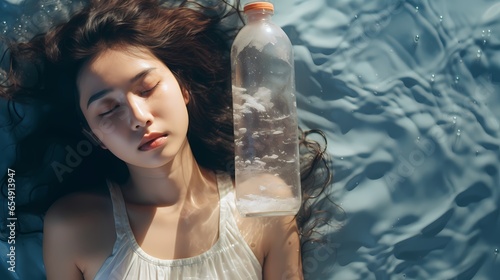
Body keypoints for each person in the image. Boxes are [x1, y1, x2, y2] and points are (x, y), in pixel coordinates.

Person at [0, 0, 333, 279]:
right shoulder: (75, 227)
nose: (138, 115)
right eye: (107, 109)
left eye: (147, 88)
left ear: (183, 88)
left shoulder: (264, 202)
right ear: (94, 136)